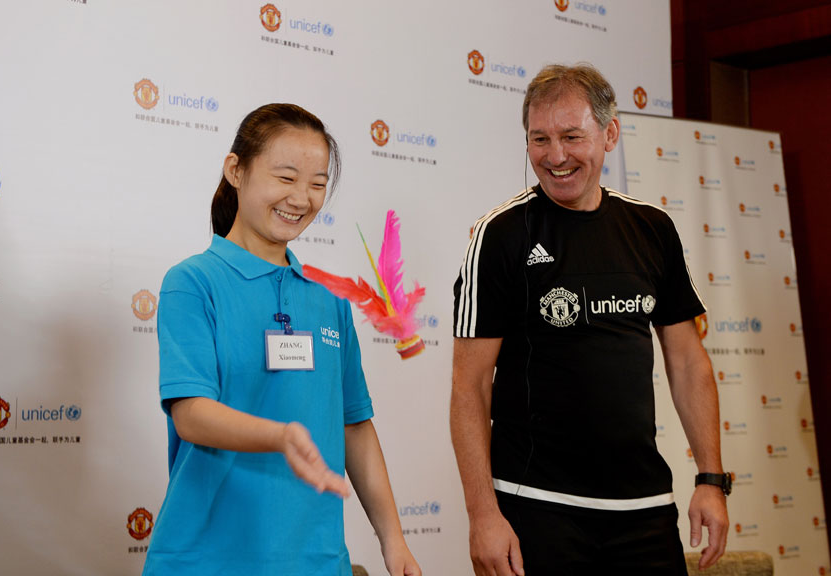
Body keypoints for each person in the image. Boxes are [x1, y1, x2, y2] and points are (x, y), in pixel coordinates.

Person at [450, 64, 729, 575]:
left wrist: (711, 480)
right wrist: (482, 514)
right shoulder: (501, 235)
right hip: (537, 508)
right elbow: (469, 386)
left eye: (572, 137)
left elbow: (688, 363)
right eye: (540, 139)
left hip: (644, 509)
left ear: (610, 134)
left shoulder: (653, 229)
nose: (555, 156)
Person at [142, 103, 421, 576]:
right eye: (286, 178)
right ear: (236, 170)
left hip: (315, 559)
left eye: (317, 184)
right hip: (207, 559)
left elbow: (354, 424)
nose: (302, 198)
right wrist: (279, 436)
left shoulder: (328, 297)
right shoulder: (193, 282)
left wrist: (393, 539)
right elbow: (190, 414)